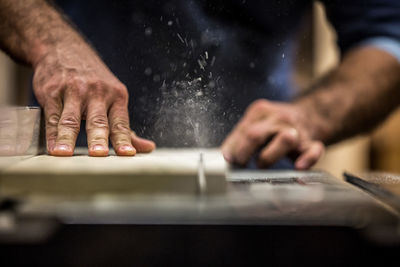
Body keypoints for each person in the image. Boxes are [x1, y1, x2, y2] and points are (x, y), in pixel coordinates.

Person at [0, 0, 399, 169]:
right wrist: (49, 40)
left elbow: (386, 37)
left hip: (253, 172)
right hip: (76, 173)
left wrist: (314, 113)